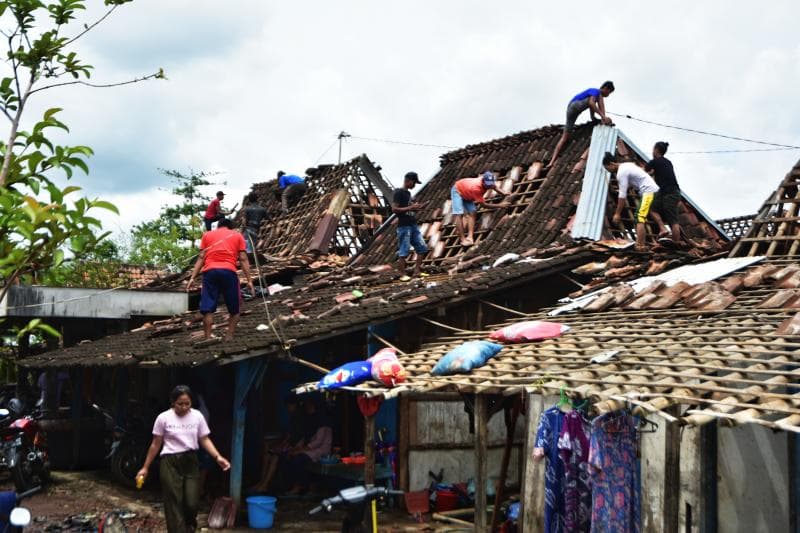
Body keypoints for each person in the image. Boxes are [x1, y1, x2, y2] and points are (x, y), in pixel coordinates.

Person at [137, 385, 231, 533]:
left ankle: (189, 528)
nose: (184, 407)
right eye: (180, 403)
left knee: (191, 502)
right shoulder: (163, 418)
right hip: (169, 462)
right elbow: (156, 444)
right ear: (173, 402)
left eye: (187, 403)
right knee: (174, 502)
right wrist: (145, 467)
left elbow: (204, 439)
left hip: (191, 460)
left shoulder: (197, 416)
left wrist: (217, 457)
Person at [187, 218, 256, 342]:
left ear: (218, 226)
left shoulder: (207, 235)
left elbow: (201, 258)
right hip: (229, 272)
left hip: (210, 273)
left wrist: (192, 277)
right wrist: (249, 280)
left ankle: (208, 337)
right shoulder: (237, 235)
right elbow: (243, 259)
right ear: (231, 227)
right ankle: (229, 336)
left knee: (208, 308)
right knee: (234, 308)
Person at [547, 81, 615, 169]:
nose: (608, 95)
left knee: (565, 136)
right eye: (609, 92)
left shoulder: (595, 95)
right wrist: (602, 116)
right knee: (599, 98)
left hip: (571, 110)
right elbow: (591, 103)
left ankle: (552, 161)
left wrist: (593, 117)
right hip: (576, 105)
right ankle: (604, 119)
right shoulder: (596, 91)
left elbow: (591, 104)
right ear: (606, 88)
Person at [603, 152, 660, 251]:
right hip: (653, 190)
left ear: (611, 164)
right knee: (648, 214)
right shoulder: (627, 165)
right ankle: (661, 230)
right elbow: (635, 179)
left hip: (648, 192)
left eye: (608, 168)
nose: (609, 171)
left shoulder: (621, 173)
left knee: (639, 217)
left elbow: (622, 196)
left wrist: (617, 213)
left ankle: (640, 244)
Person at [250, 394, 305, 493]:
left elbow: (302, 439)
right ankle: (261, 482)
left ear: (295, 405)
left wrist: (291, 448)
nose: (288, 408)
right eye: (287, 406)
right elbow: (289, 435)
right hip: (288, 445)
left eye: (289, 406)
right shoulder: (293, 418)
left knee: (275, 456)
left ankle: (265, 484)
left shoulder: (301, 418)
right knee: (267, 454)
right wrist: (282, 444)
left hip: (296, 447)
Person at [283, 396, 332, 495]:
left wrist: (300, 450)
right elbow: (305, 438)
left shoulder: (322, 422)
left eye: (309, 406)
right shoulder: (310, 420)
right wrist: (295, 449)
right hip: (310, 449)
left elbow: (318, 442)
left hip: (322, 450)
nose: (307, 408)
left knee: (299, 459)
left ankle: (301, 486)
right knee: (289, 457)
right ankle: (294, 485)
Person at [451, 171, 511, 246]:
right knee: (459, 214)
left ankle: (470, 237)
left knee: (473, 211)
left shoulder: (488, 182)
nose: (488, 186)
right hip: (458, 190)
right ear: (483, 181)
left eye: (490, 184)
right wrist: (500, 205)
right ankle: (463, 239)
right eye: (487, 184)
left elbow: (494, 187)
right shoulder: (476, 188)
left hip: (467, 193)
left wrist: (504, 192)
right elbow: (484, 205)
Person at [645, 141, 684, 242]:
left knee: (673, 221)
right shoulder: (667, 162)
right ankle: (662, 228)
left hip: (669, 193)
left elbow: (643, 171)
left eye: (653, 149)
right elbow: (659, 172)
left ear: (656, 150)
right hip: (671, 192)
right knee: (653, 208)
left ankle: (676, 243)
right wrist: (653, 173)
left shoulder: (655, 161)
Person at [393, 171, 429, 276]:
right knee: (404, 250)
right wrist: (411, 207)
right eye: (414, 183)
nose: (414, 186)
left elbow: (409, 209)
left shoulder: (408, 193)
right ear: (408, 181)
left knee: (422, 247)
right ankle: (402, 273)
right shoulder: (398, 192)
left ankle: (417, 271)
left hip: (413, 224)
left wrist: (418, 208)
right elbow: (394, 209)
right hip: (404, 226)